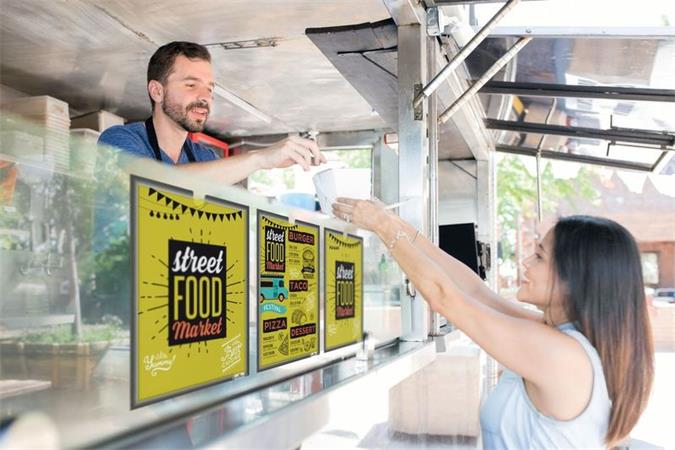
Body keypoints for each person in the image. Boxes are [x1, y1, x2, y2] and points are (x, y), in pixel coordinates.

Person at [332, 199, 653, 449]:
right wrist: (394, 223)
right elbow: (475, 292)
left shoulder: (559, 354)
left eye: (539, 257)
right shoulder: (560, 337)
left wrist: (383, 227)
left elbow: (446, 297)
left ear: (575, 280)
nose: (525, 262)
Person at [99, 41, 326, 184]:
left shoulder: (204, 157)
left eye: (210, 89)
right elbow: (153, 186)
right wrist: (260, 158)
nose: (205, 97)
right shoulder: (118, 139)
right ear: (157, 91)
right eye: (191, 85)